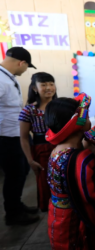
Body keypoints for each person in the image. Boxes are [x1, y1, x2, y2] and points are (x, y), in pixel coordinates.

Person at [45, 93, 95, 249]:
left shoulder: (57, 150)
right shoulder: (78, 158)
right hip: (73, 219)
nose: (88, 119)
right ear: (78, 122)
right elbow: (90, 196)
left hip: (56, 214)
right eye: (86, 117)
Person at [0, 47, 40, 225]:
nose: (25, 70)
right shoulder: (1, 80)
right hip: (7, 136)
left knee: (22, 170)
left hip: (17, 134)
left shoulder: (8, 77)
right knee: (15, 174)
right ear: (21, 63)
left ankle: (16, 204)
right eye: (26, 67)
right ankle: (13, 213)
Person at [19, 72, 57, 212]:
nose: (49, 88)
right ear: (35, 88)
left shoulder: (60, 106)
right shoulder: (29, 110)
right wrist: (30, 160)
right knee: (45, 183)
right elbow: (23, 137)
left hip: (62, 148)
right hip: (42, 151)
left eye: (51, 84)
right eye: (44, 84)